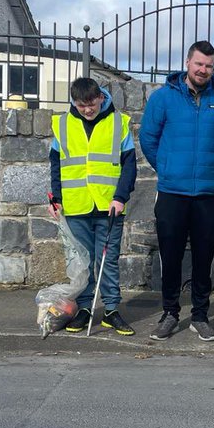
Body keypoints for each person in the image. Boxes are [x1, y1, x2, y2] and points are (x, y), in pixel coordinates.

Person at [138, 40, 214, 341]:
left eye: (208, 65)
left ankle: (201, 315)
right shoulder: (163, 98)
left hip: (207, 192)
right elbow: (148, 139)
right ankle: (170, 312)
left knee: (205, 257)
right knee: (171, 255)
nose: (203, 70)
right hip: (172, 192)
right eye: (198, 64)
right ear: (188, 63)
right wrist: (166, 168)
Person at [48, 77, 137, 334]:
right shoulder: (62, 124)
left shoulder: (119, 123)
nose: (87, 109)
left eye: (91, 103)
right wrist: (56, 199)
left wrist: (121, 197)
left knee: (108, 261)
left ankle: (111, 311)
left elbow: (129, 164)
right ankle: (85, 309)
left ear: (100, 97)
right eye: (81, 104)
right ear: (74, 102)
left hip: (109, 206)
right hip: (76, 206)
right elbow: (56, 165)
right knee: (82, 262)